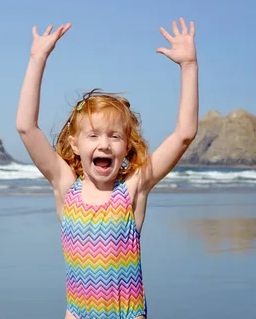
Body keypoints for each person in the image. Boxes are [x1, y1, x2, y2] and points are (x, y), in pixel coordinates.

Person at [15, 18, 198, 319]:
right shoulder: (65, 187)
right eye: (93, 135)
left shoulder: (133, 189)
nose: (104, 144)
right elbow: (26, 128)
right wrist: (37, 59)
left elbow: (184, 134)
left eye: (114, 136)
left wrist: (189, 66)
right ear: (75, 145)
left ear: (127, 146)